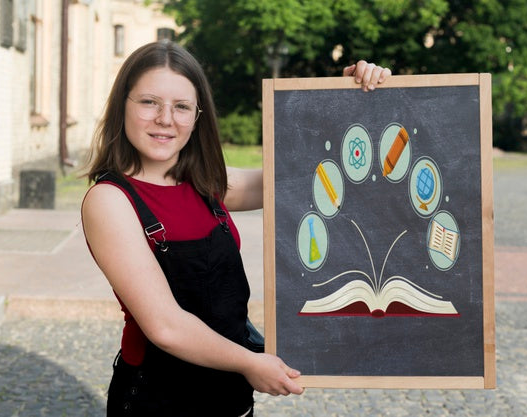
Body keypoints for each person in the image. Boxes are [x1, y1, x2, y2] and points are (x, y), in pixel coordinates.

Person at [81, 40, 391, 416]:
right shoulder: (109, 200)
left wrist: (348, 98)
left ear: (197, 117)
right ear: (122, 106)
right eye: (149, 102)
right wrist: (249, 363)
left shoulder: (207, 183)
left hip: (229, 396)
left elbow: (304, 174)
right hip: (158, 400)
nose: (165, 118)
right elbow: (165, 325)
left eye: (181, 106)